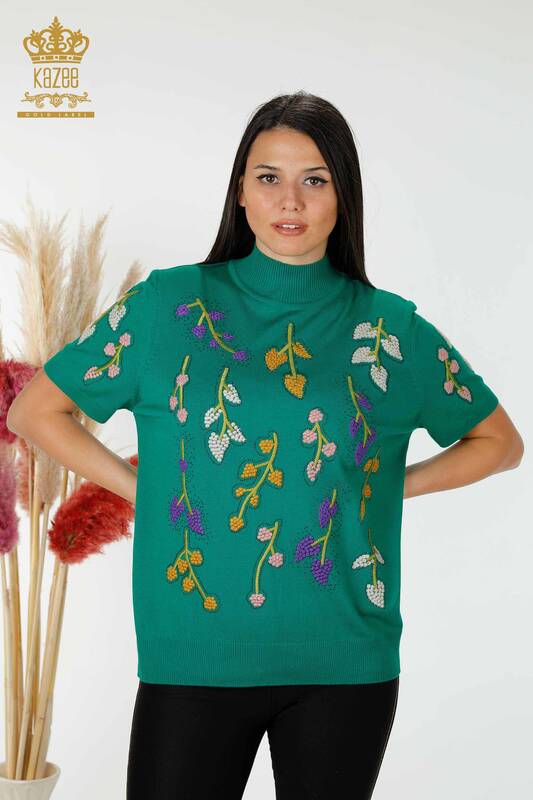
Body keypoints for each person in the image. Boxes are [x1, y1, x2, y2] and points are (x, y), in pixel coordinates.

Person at [7, 91, 523, 800]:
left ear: (343, 196)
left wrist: (388, 485)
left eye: (315, 179)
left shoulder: (389, 330)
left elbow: (499, 442)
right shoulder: (166, 307)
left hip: (345, 658)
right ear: (240, 193)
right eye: (269, 177)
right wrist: (143, 488)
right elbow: (37, 411)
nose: (290, 200)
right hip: (192, 652)